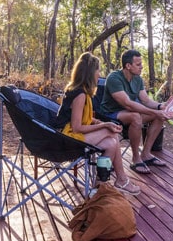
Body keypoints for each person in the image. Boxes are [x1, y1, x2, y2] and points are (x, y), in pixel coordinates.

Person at [56, 52, 140, 196]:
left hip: (73, 133)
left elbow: (83, 119)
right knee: (111, 133)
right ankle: (120, 179)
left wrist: (100, 122)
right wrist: (104, 126)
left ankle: (100, 185)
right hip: (67, 138)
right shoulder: (80, 94)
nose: (99, 74)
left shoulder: (83, 92)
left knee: (111, 143)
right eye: (98, 70)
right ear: (90, 73)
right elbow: (76, 127)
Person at [100, 49, 168, 175]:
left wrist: (160, 107)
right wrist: (154, 112)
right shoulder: (114, 78)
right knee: (136, 117)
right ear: (128, 65)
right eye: (138, 64)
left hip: (129, 112)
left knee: (160, 117)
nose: (142, 67)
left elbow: (146, 100)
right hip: (111, 114)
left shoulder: (138, 79)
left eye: (141, 64)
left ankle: (146, 154)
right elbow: (127, 104)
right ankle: (136, 158)